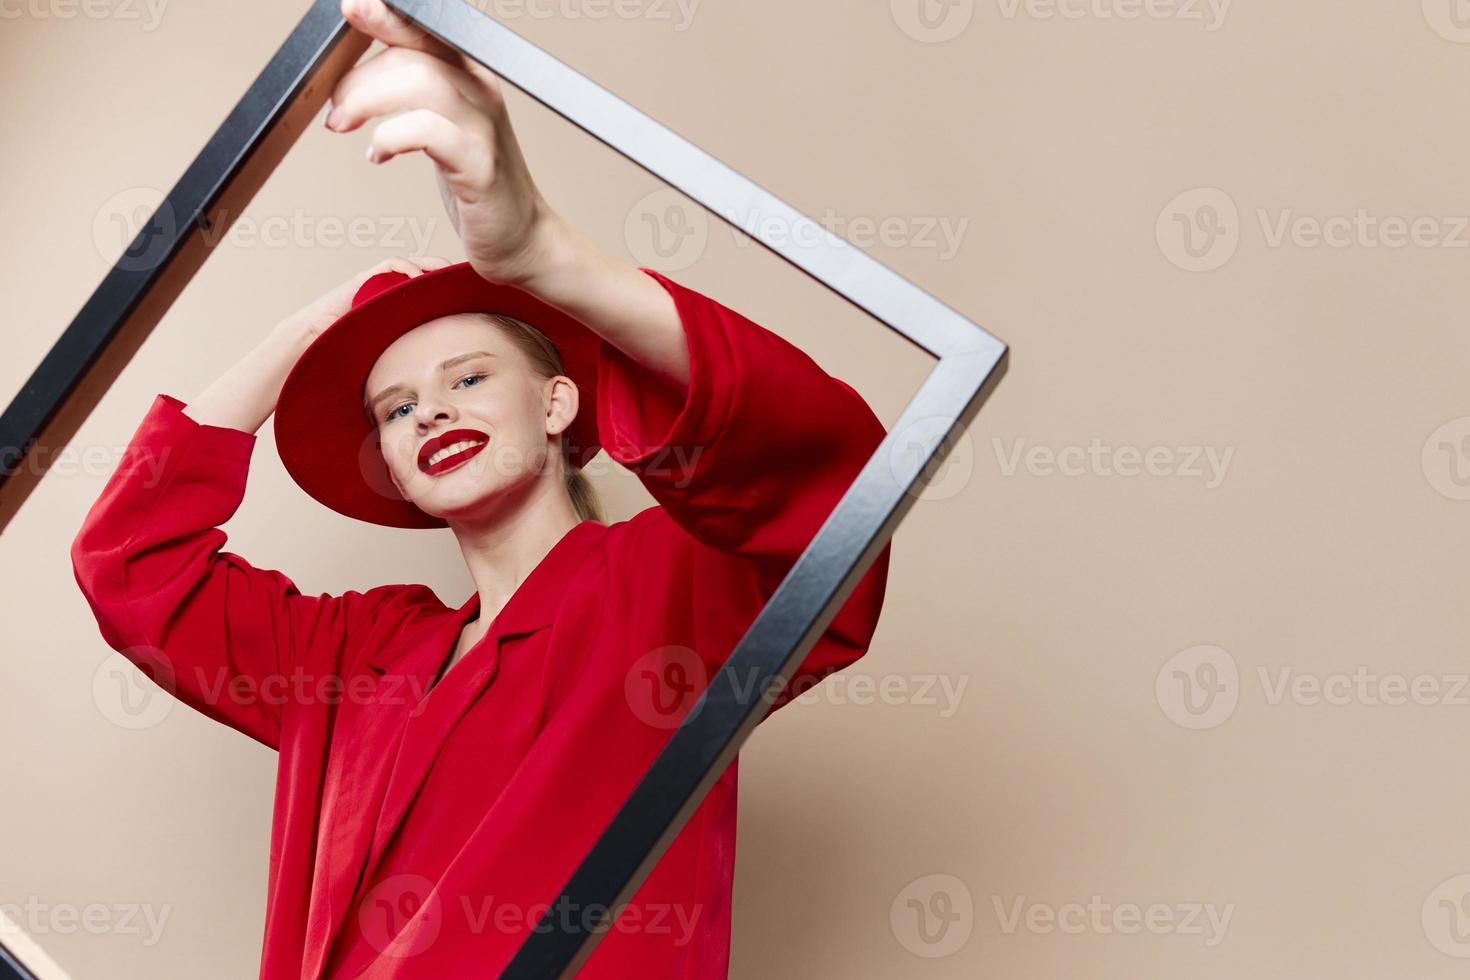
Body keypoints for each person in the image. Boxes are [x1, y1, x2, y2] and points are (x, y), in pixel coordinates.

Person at [69, 0, 893, 976]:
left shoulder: (679, 587)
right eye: (394, 406)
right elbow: (130, 566)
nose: (429, 413)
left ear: (557, 404)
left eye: (467, 378)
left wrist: (543, 256)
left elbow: (832, 489)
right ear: (395, 470)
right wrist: (316, 329)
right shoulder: (350, 657)